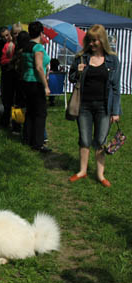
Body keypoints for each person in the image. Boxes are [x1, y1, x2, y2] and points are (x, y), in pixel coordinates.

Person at [68, 24, 121, 187]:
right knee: (84, 139)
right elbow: (71, 78)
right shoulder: (81, 58)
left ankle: (100, 174)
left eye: (95, 40)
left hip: (104, 106)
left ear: (102, 40)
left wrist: (115, 111)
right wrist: (78, 71)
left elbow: (115, 87)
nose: (92, 44)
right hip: (84, 105)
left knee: (100, 140)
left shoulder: (112, 59)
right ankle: (82, 171)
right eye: (89, 40)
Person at [22, 21, 51, 153]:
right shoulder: (38, 48)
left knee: (30, 111)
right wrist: (46, 86)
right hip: (36, 82)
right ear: (41, 33)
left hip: (26, 81)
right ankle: (38, 143)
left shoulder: (26, 46)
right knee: (40, 113)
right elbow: (39, 67)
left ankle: (27, 138)